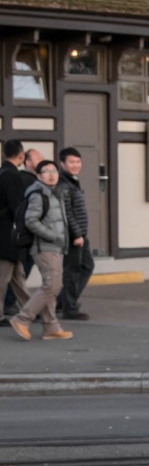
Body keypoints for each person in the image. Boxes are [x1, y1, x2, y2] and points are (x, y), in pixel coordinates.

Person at [9, 160, 73, 341]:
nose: (52, 174)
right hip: (44, 247)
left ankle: (50, 327)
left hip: (56, 246)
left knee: (52, 285)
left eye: (54, 171)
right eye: (46, 171)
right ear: (38, 176)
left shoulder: (55, 193)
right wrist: (52, 235)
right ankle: (22, 319)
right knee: (52, 285)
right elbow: (31, 221)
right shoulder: (38, 194)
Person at [55, 148, 93, 319]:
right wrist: (77, 234)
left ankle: (63, 302)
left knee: (86, 265)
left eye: (78, 161)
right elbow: (67, 213)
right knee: (72, 271)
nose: (76, 165)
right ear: (62, 164)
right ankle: (69, 308)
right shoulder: (63, 184)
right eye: (71, 162)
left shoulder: (72, 181)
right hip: (73, 236)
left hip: (81, 234)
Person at [0, 139, 31, 326]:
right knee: (3, 277)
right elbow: (17, 206)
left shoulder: (3, 173)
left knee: (18, 275)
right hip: (7, 234)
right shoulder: (12, 176)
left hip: (5, 233)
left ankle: (31, 308)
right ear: (21, 155)